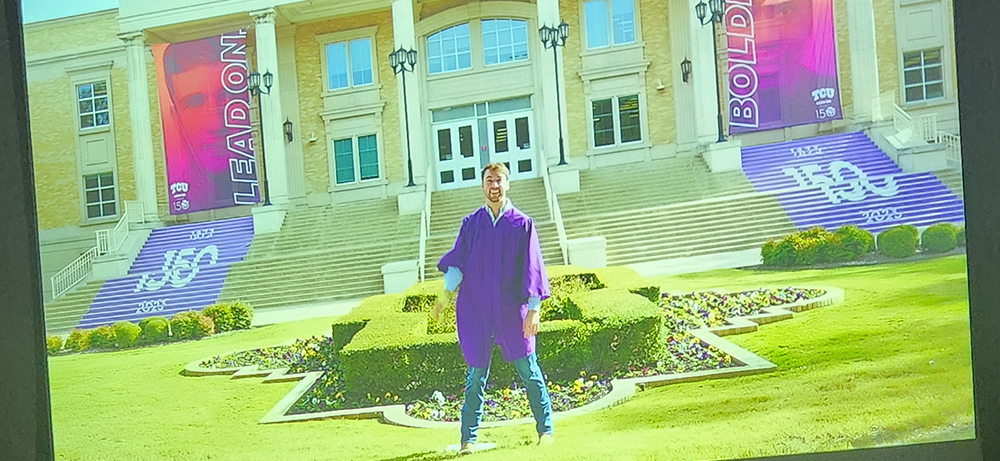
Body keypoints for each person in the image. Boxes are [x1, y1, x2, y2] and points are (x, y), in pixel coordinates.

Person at [432, 162, 554, 455]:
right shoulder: (471, 224)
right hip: (476, 310)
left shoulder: (522, 224)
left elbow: (533, 267)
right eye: (489, 180)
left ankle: (546, 430)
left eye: (499, 180)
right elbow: (459, 263)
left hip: (512, 310)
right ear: (482, 186)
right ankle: (468, 440)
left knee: (529, 369)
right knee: (475, 377)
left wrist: (535, 308)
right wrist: (444, 294)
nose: (494, 185)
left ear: (507, 184)